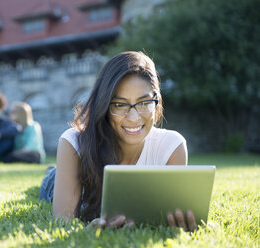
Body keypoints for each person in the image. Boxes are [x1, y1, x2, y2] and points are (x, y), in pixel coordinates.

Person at [39, 51, 197, 231]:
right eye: (120, 104)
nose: (133, 117)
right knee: (53, 179)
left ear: (157, 101)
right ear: (104, 106)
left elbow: (169, 214)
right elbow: (62, 221)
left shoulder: (172, 146)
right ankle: (53, 171)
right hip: (55, 182)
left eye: (144, 102)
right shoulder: (73, 142)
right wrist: (88, 230)